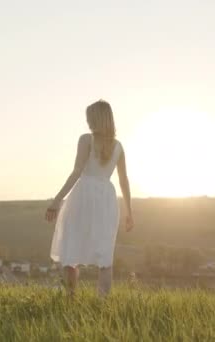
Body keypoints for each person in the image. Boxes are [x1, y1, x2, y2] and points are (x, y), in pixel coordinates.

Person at [46, 99, 134, 297]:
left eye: (89, 118)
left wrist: (56, 201)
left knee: (71, 245)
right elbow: (123, 181)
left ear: (96, 119)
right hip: (106, 199)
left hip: (83, 195)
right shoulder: (119, 147)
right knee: (105, 255)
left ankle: (71, 298)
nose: (88, 122)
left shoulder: (86, 139)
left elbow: (77, 171)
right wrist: (130, 212)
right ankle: (102, 305)